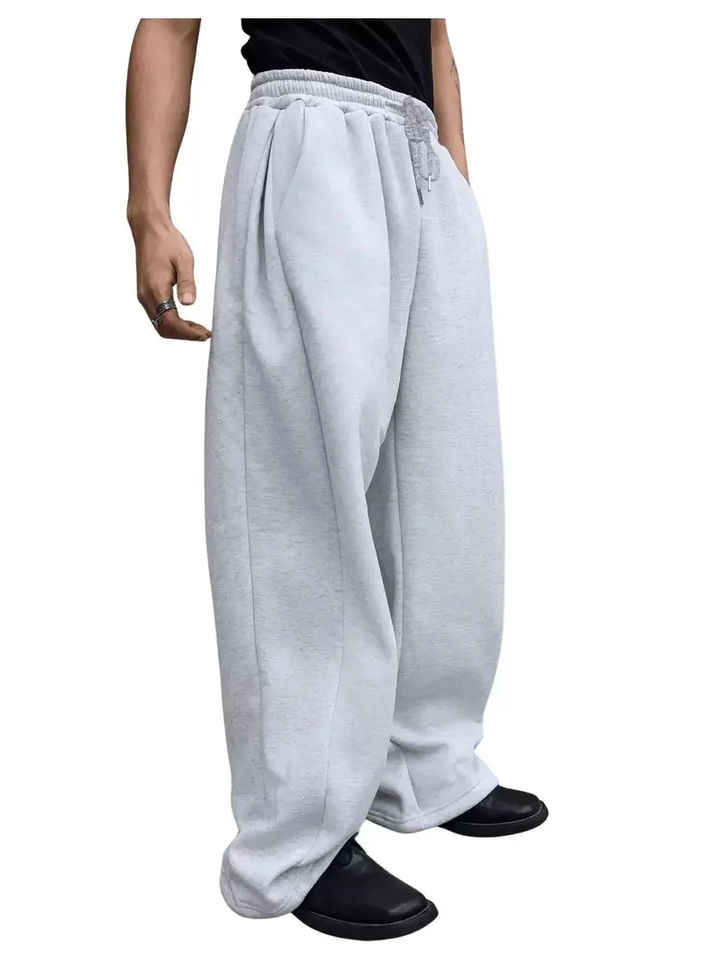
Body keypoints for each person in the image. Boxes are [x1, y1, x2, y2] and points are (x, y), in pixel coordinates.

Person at [126, 18, 548, 941]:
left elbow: (434, 36)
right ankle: (295, 839)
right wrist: (149, 210)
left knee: (445, 486)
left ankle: (422, 759)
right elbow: (169, 18)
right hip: (310, 127)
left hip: (417, 149)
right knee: (299, 494)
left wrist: (455, 191)